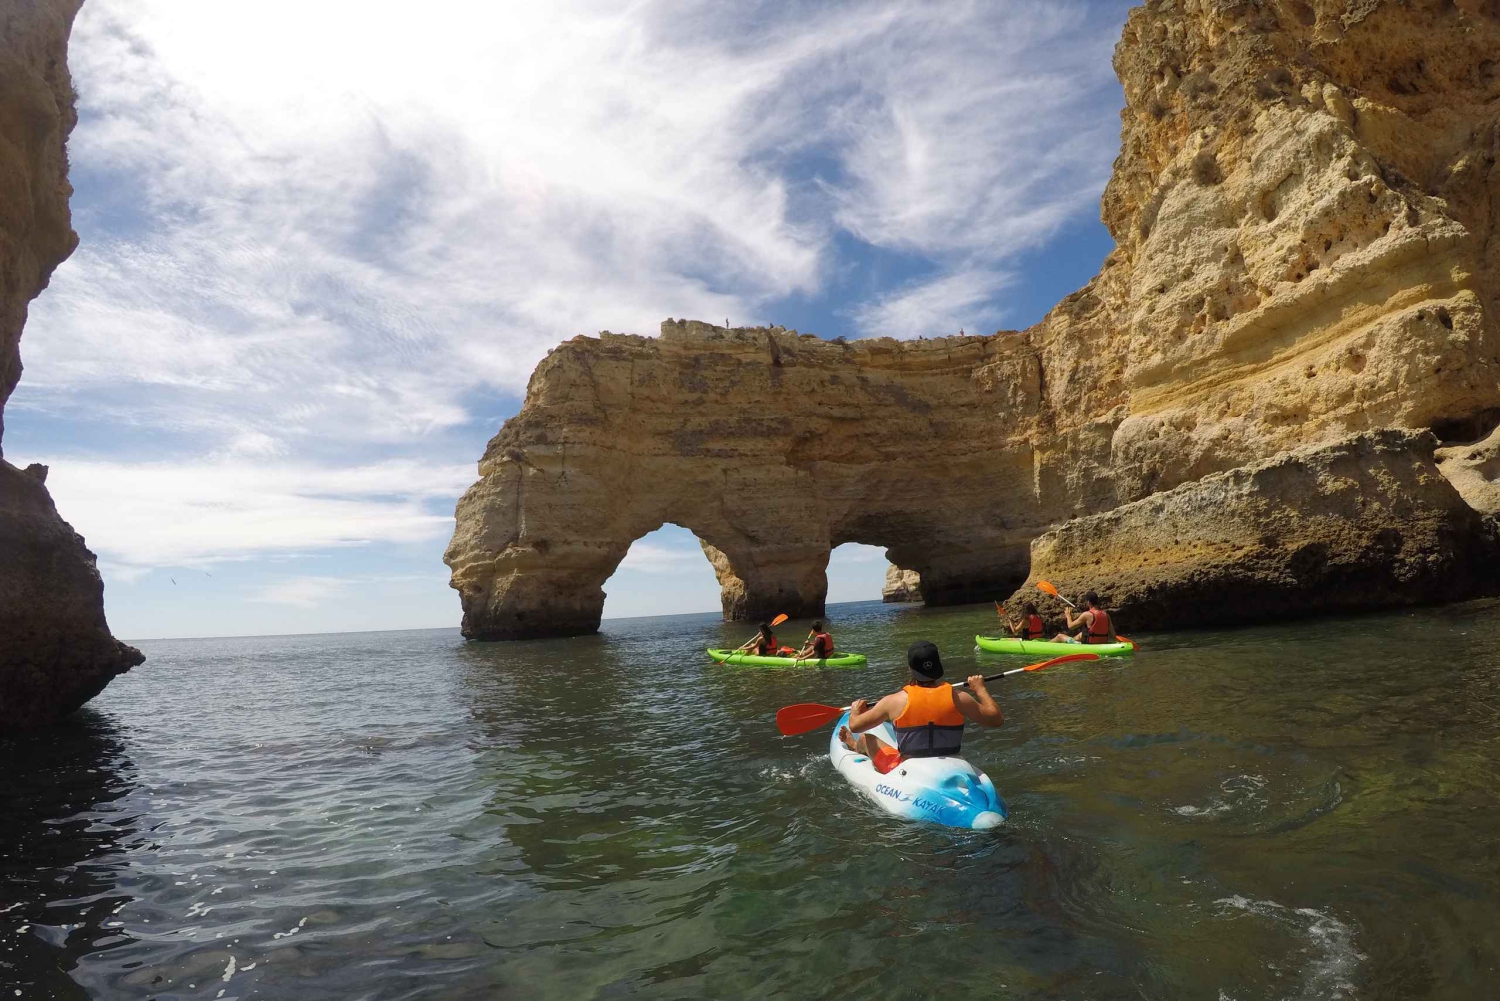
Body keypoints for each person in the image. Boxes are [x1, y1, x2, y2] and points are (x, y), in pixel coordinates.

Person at [836, 640, 1003, 774]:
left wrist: (856, 710)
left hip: (909, 769)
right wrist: (980, 689)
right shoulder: (960, 698)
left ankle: (853, 745)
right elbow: (996, 720)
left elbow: (855, 726)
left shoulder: (893, 701)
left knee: (866, 738)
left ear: (910, 668)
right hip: (953, 764)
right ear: (938, 666)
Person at [1052, 591, 1116, 644]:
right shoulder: (1106, 615)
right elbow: (1113, 635)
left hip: (1090, 645)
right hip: (1102, 644)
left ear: (1088, 602)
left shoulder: (1086, 615)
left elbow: (1070, 626)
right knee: (1081, 634)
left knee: (1059, 636)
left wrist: (1068, 615)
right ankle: (1068, 643)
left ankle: (1045, 645)